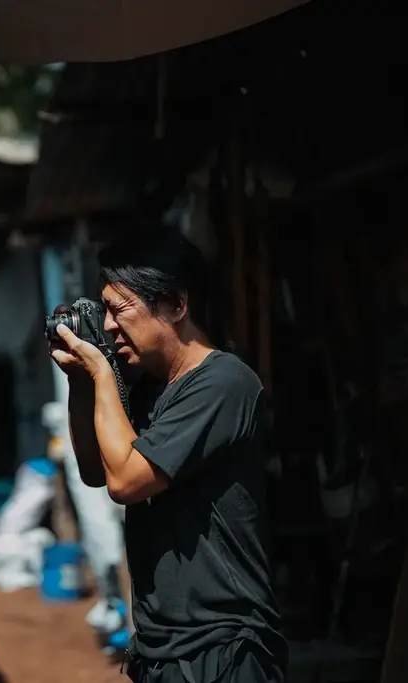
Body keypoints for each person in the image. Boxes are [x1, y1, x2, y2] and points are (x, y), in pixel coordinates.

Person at [48, 227, 286, 683]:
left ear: (177, 305)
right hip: (162, 650)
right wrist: (81, 380)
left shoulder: (223, 383)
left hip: (221, 650)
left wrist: (101, 373)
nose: (109, 325)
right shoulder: (150, 390)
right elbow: (96, 471)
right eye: (104, 311)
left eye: (120, 309)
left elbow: (126, 482)